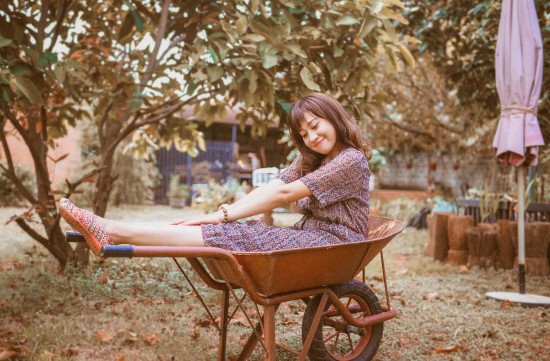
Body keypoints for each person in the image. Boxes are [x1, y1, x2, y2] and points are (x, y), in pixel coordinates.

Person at [59, 92, 372, 256]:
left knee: (234, 233)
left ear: (334, 119)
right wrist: (222, 213)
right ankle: (114, 230)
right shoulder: (312, 160)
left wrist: (221, 217)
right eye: (303, 134)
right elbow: (273, 186)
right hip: (314, 240)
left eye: (315, 126)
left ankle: (110, 229)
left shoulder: (350, 160)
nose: (311, 137)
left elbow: (284, 195)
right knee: (241, 230)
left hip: (334, 247)